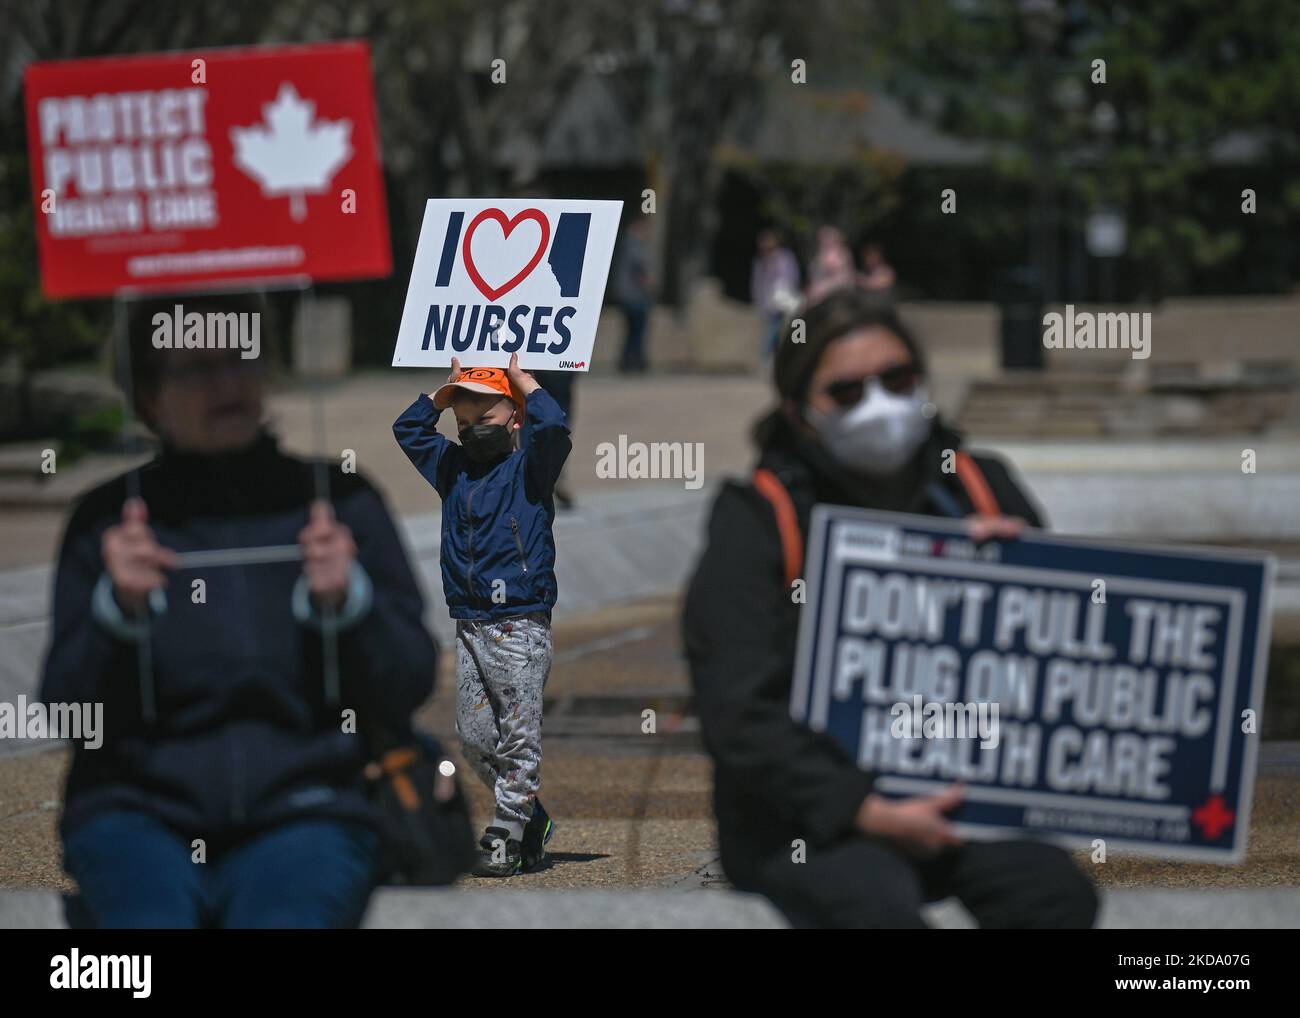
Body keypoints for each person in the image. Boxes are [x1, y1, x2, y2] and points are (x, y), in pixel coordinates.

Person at [682, 288, 1098, 929]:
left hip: (961, 799)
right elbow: (738, 710)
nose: (878, 404)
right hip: (805, 819)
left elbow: (1065, 665)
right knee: (876, 908)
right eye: (846, 392)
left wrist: (1025, 577)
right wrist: (862, 810)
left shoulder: (983, 488)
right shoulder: (760, 519)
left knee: (1054, 897)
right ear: (799, 412)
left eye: (897, 378)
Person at [41, 294, 438, 929]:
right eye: (194, 369)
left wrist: (347, 603)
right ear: (145, 396)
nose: (225, 382)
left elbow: (410, 679)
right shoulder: (107, 522)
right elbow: (63, 707)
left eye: (239, 358)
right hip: (136, 817)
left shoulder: (340, 503)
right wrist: (116, 611)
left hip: (305, 810)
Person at [393, 354, 570, 876]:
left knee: (519, 736)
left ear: (514, 418)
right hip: (469, 621)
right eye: (462, 423)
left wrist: (524, 383)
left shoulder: (530, 468)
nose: (472, 431)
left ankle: (508, 829)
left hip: (519, 621)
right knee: (473, 738)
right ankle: (531, 817)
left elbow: (555, 425)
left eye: (485, 419)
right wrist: (444, 391)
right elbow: (407, 431)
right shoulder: (453, 469)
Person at [750, 228, 801, 360]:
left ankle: (794, 349)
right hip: (772, 298)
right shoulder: (763, 261)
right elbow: (759, 283)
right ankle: (768, 356)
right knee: (775, 326)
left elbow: (792, 276)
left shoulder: (784, 257)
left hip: (785, 295)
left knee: (794, 322)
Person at [613, 218, 654, 373]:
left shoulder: (624, 246)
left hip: (625, 294)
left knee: (630, 330)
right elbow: (641, 270)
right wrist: (649, 285)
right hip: (635, 296)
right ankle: (634, 360)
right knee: (637, 331)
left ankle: (628, 359)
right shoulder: (636, 247)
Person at [805, 225, 856, 303]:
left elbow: (835, 267)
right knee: (814, 290)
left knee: (819, 289)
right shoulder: (825, 252)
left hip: (840, 280)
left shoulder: (842, 252)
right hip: (829, 280)